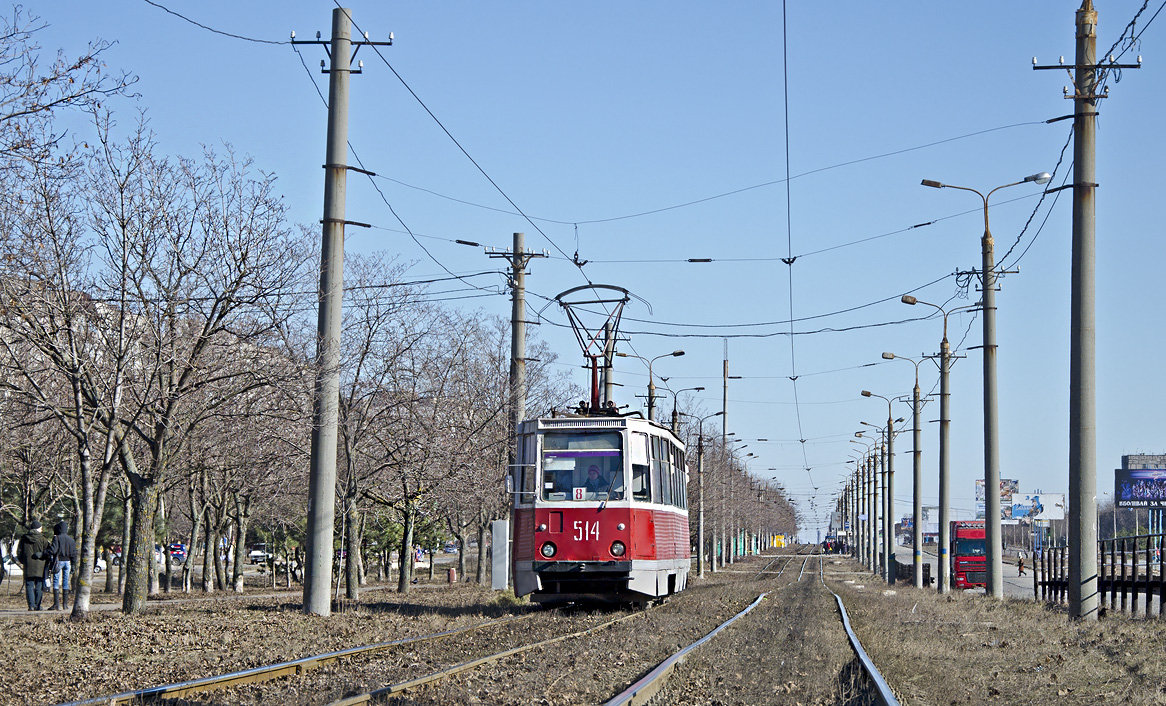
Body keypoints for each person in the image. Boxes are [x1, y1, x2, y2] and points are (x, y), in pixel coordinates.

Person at [17, 520, 50, 611]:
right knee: (39, 586)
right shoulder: (43, 539)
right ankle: (37, 605)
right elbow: (48, 552)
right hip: (40, 566)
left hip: (28, 564)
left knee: (29, 585)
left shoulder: (24, 538)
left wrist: (23, 561)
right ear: (38, 528)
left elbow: (19, 551)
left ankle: (31, 605)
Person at [48, 520, 78, 611]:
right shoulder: (71, 540)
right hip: (68, 562)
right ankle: (65, 604)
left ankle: (56, 604)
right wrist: (73, 565)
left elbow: (53, 550)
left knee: (56, 581)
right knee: (66, 582)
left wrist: (46, 552)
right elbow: (74, 554)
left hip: (59, 561)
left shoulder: (56, 538)